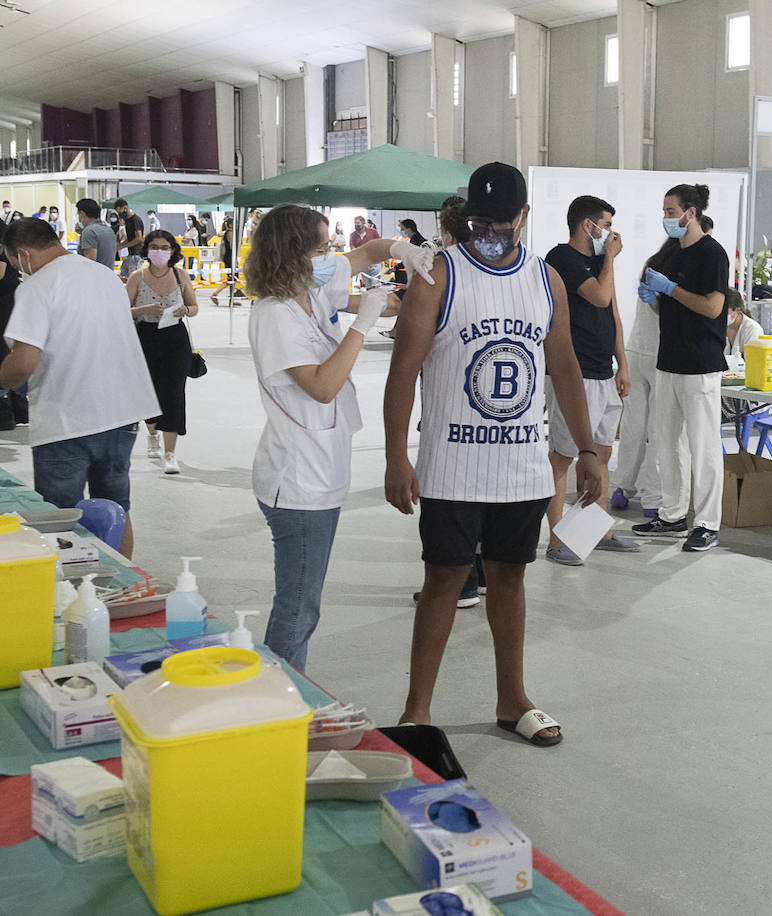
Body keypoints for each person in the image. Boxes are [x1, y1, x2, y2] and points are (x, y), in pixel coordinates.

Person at [383, 161, 600, 745]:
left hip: (522, 468)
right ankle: (416, 711)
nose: (491, 233)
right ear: (467, 218)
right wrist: (396, 457)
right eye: (481, 223)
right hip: (453, 466)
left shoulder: (545, 280)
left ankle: (513, 699)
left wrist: (588, 448)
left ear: (524, 218)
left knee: (510, 577)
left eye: (502, 223)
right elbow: (402, 373)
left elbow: (564, 368)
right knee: (444, 581)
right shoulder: (437, 277)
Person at [244, 205, 421, 672]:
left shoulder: (311, 291)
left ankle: (286, 692)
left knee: (304, 601)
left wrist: (404, 251)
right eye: (320, 248)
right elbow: (322, 386)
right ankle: (282, 701)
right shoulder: (276, 314)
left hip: (319, 471)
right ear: (291, 253)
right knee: (299, 607)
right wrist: (363, 325)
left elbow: (369, 252)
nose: (330, 256)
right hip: (297, 481)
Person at [0, 218, 159, 558]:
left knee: (59, 517)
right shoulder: (104, 275)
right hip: (121, 413)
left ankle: (68, 594)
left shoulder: (37, 286)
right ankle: (123, 587)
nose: (18, 270)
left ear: (24, 253)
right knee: (116, 508)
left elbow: (23, 362)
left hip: (68, 417)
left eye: (15, 262)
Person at [630, 183, 729, 553]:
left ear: (691, 212)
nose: (666, 219)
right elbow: (666, 309)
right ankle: (672, 515)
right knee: (666, 444)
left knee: (703, 446)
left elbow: (712, 308)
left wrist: (670, 290)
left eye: (671, 212)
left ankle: (707, 523)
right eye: (664, 212)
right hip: (667, 361)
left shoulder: (712, 254)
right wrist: (653, 298)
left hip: (700, 364)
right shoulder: (672, 255)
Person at [542, 195, 637, 565]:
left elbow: (612, 311)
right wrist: (610, 259)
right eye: (607, 225)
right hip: (574, 373)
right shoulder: (562, 258)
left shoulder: (600, 263)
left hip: (603, 371)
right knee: (564, 457)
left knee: (601, 454)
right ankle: (556, 539)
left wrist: (622, 363)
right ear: (588, 225)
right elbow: (598, 297)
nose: (610, 234)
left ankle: (596, 531)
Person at [126, 230, 200, 475]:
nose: (159, 251)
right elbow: (122, 311)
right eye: (154, 247)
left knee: (174, 392)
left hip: (175, 338)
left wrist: (185, 312)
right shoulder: (137, 277)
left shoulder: (181, 276)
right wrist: (143, 309)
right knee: (150, 390)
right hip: (146, 336)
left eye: (164, 247)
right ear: (147, 250)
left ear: (172, 250)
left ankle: (170, 453)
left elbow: (194, 306)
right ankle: (152, 434)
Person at [609, 238, 672, 516]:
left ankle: (622, 487)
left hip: (636, 350)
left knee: (633, 425)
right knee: (660, 429)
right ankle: (653, 499)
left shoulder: (652, 264)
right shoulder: (678, 270)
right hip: (663, 356)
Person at [0, 222, 22, 430]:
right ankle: (19, 411)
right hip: (8, 303)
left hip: (5, 305)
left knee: (4, 352)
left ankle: (7, 414)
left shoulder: (2, 251)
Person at [74, 198, 116, 269]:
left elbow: (90, 261)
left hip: (95, 278)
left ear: (82, 214)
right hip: (109, 275)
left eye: (78, 214)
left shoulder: (89, 231)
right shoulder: (108, 230)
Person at [392, 218, 427, 296]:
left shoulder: (416, 241)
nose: (402, 231)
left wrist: (396, 267)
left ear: (409, 229)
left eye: (402, 229)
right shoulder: (416, 239)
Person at [114, 198, 146, 281]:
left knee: (134, 280)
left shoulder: (135, 220)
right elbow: (130, 238)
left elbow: (139, 239)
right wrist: (120, 246)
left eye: (119, 211)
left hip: (136, 255)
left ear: (125, 208)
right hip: (129, 255)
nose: (119, 214)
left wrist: (123, 246)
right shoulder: (127, 221)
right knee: (123, 279)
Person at [724, 289, 762, 356]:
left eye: (724, 311)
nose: (720, 315)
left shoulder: (753, 329)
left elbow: (752, 360)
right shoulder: (718, 327)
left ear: (738, 309)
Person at [350, 215, 383, 287]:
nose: (356, 225)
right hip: (363, 264)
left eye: (358, 223)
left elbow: (379, 243)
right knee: (368, 285)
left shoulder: (373, 232)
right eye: (355, 223)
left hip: (375, 261)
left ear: (363, 223)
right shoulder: (353, 235)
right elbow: (352, 247)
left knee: (375, 285)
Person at [210, 216, 235, 305]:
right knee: (231, 279)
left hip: (227, 257)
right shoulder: (231, 233)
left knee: (232, 279)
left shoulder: (225, 233)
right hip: (230, 257)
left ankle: (232, 300)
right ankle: (215, 294)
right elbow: (233, 246)